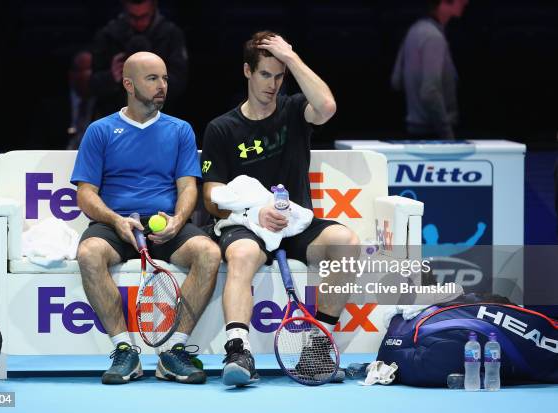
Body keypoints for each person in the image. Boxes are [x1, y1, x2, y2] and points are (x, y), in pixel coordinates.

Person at [201, 31, 359, 386]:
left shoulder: (294, 111)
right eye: (264, 74)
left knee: (346, 241)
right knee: (241, 254)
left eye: (279, 75)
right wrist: (254, 213)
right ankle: (238, 350)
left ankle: (318, 346)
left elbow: (328, 107)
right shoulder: (221, 128)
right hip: (247, 226)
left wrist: (291, 57)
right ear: (247, 71)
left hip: (296, 224)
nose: (272, 84)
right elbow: (212, 197)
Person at [71, 52, 220, 385]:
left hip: (166, 225)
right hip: (116, 225)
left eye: (165, 79)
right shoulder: (100, 131)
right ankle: (125, 350)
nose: (162, 86)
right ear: (128, 84)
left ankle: (174, 352)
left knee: (209, 252)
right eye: (152, 79)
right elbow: (86, 194)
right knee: (89, 253)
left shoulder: (181, 130)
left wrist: (178, 221)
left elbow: (187, 188)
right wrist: (115, 220)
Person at [90, 0, 188, 118]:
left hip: (161, 117)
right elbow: (93, 85)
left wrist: (154, 78)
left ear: (153, 8)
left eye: (144, 16)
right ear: (125, 9)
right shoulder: (108, 35)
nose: (138, 22)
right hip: (116, 116)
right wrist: (111, 76)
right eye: (132, 17)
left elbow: (180, 82)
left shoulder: (171, 34)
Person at [391, 0, 469, 139]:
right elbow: (429, 92)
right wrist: (448, 136)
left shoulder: (414, 29)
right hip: (432, 135)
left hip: (414, 129)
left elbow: (396, 81)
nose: (465, 1)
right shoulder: (433, 37)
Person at [66, 51, 96, 149]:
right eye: (82, 70)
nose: (88, 74)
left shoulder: (105, 105)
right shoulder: (50, 107)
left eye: (90, 70)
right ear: (71, 74)